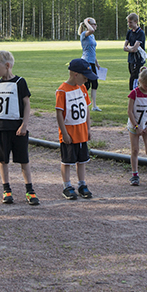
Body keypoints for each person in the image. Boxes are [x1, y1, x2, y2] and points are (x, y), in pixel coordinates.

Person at [0, 50, 38, 206]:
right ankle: (6, 189)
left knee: (23, 159)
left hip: (17, 128)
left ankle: (29, 190)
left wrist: (24, 124)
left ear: (7, 66)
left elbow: (27, 104)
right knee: (3, 160)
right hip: (1, 128)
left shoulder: (20, 83)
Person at [56, 59, 96, 200]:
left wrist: (88, 128)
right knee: (67, 161)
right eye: (84, 77)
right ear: (75, 74)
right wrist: (64, 133)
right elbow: (59, 113)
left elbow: (86, 108)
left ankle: (82, 184)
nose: (86, 80)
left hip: (82, 132)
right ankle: (67, 186)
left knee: (82, 160)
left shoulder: (82, 88)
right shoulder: (62, 91)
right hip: (69, 134)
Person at [78, 17, 102, 111]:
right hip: (86, 62)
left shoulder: (92, 36)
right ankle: (80, 101)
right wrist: (85, 21)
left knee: (94, 84)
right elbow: (91, 30)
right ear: (89, 25)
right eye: (94, 24)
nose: (95, 26)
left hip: (92, 62)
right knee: (87, 85)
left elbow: (93, 51)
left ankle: (94, 106)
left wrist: (97, 63)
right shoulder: (85, 34)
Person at [123, 13, 145, 90]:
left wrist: (130, 48)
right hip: (131, 58)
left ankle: (134, 90)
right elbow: (124, 47)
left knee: (134, 76)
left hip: (138, 59)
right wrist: (130, 48)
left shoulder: (140, 33)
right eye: (128, 22)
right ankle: (135, 89)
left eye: (130, 22)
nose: (129, 24)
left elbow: (135, 49)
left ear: (136, 21)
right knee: (132, 74)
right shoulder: (129, 32)